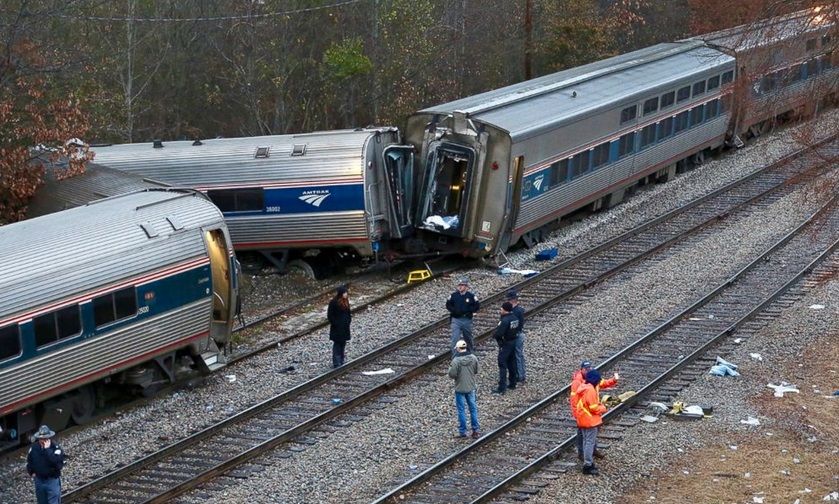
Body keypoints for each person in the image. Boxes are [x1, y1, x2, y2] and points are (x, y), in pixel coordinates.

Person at [570, 360, 618, 461]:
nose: (588, 370)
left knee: (591, 435)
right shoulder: (578, 382)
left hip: (589, 412)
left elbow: (602, 383)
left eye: (589, 368)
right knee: (583, 436)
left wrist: (613, 380)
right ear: (581, 369)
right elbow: (574, 400)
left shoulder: (591, 378)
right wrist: (576, 414)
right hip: (583, 412)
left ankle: (592, 451)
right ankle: (583, 455)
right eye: (586, 369)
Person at [574, 369, 608, 475]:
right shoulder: (591, 391)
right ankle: (588, 465)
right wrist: (603, 407)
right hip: (589, 420)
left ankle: (586, 462)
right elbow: (594, 408)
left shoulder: (583, 387)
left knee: (585, 441)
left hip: (582, 419)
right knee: (589, 442)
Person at [448, 339, 481, 439]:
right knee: (473, 409)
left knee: (461, 410)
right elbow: (476, 370)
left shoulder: (456, 361)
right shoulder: (473, 358)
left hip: (460, 388)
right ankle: (475, 430)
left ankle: (463, 431)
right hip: (471, 387)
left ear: (458, 349)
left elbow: (452, 374)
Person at [26, 425, 65, 504]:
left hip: (52, 480)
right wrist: (31, 472)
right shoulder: (34, 448)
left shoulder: (56, 448)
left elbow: (56, 461)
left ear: (49, 438)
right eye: (41, 439)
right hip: (39, 480)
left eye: (45, 438)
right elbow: (29, 461)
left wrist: (47, 450)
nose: (43, 440)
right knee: (41, 502)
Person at [446, 278, 480, 355]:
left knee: (468, 337)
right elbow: (448, 305)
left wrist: (470, 311)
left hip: (466, 320)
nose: (460, 287)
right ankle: (455, 356)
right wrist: (454, 310)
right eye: (459, 285)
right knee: (455, 338)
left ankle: (470, 353)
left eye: (462, 285)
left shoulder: (471, 296)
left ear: (466, 287)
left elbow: (477, 306)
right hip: (456, 320)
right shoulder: (453, 295)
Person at [492, 302, 519, 394]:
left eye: (501, 309)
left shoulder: (505, 320)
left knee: (502, 363)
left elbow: (499, 333)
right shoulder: (515, 318)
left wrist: (495, 336)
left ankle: (501, 387)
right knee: (512, 362)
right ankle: (512, 383)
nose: (500, 310)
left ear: (504, 310)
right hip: (513, 341)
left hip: (506, 343)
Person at [327, 285, 352, 368]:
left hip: (344, 327)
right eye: (345, 293)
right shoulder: (333, 302)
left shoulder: (346, 302)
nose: (346, 294)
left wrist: (348, 321)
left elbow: (348, 313)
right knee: (337, 344)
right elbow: (330, 315)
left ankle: (341, 360)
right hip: (337, 328)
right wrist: (336, 324)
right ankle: (336, 362)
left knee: (343, 343)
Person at [506, 290, 526, 383]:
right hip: (517, 334)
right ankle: (520, 374)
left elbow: (519, 325)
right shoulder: (517, 310)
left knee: (518, 355)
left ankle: (520, 375)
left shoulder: (517, 311)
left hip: (516, 335)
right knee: (518, 355)